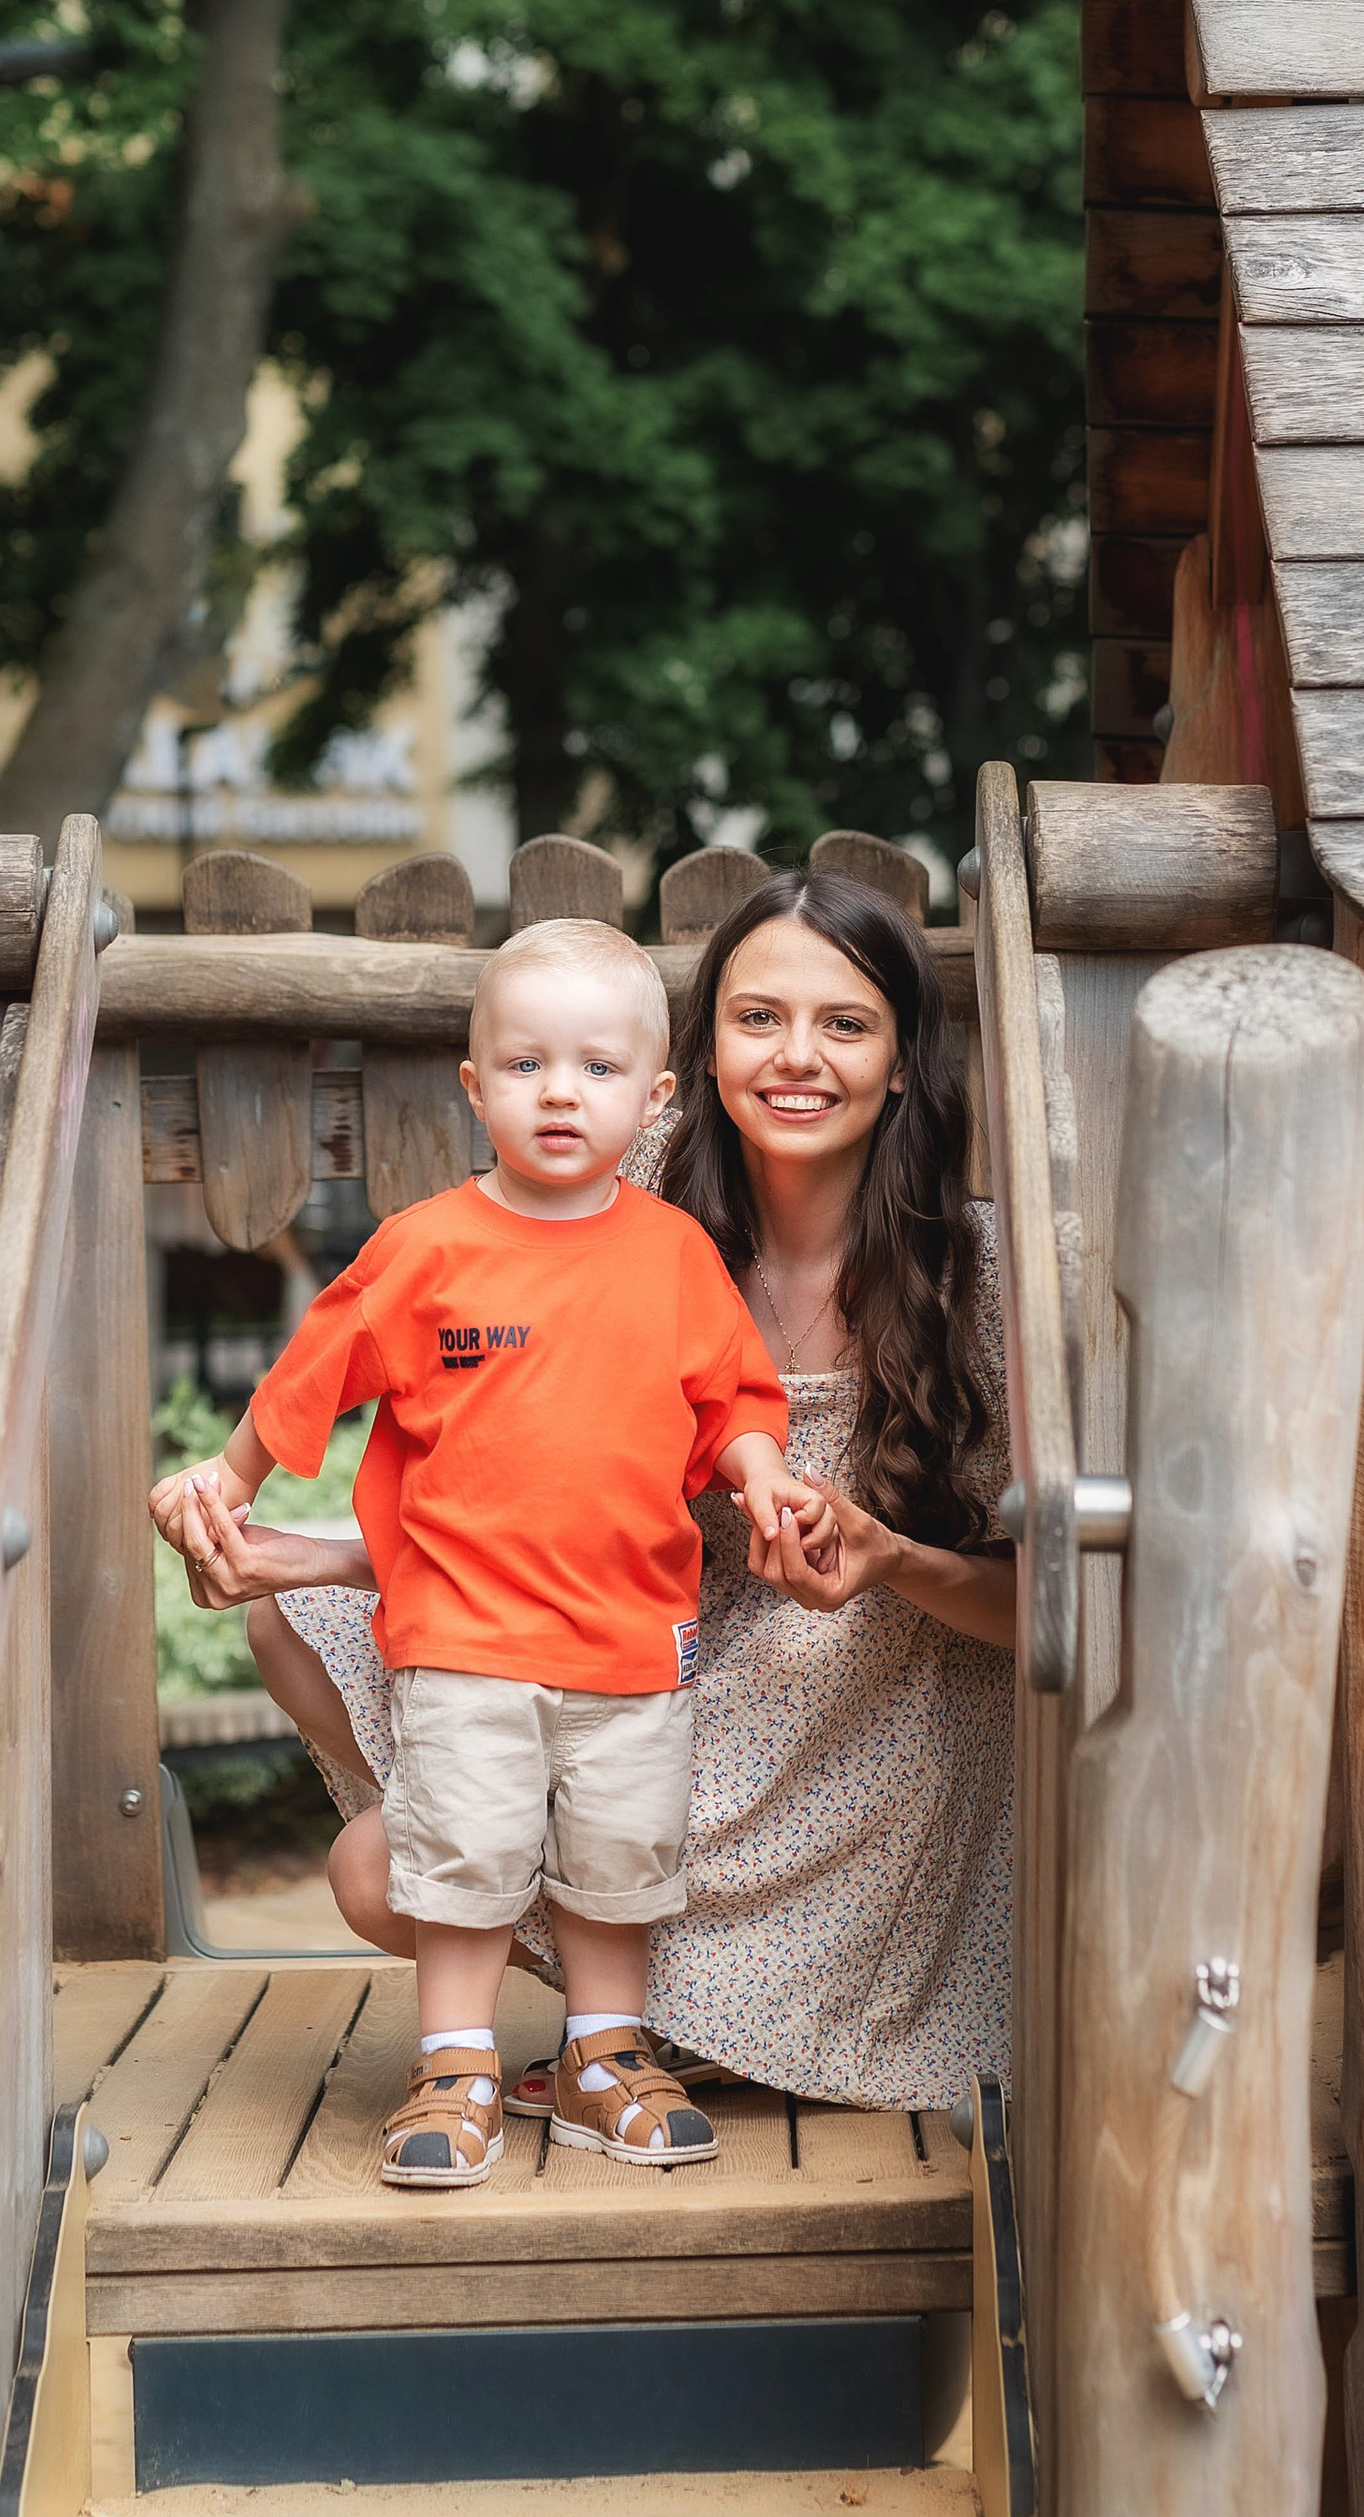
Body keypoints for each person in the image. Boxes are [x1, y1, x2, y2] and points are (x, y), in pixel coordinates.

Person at [238, 867, 1016, 2112]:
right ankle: (626, 2009)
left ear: (904, 1061)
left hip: (867, 1725)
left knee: (405, 1859)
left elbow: (1052, 1618)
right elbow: (523, 1452)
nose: (795, 1057)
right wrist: (335, 1553)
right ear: (698, 1055)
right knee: (357, 1815)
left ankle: (690, 2008)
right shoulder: (624, 1183)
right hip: (636, 1646)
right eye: (758, 1018)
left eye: (846, 1023)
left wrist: (892, 1560)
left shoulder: (975, 1276)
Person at [149, 915, 821, 2188]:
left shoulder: (675, 1254)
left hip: (630, 1635)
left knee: (619, 1858)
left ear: (656, 1098)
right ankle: (454, 2062)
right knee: (461, 1853)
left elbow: (736, 1398)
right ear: (475, 1086)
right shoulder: (424, 1249)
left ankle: (601, 2055)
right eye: (524, 1065)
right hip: (459, 1636)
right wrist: (227, 1478)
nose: (560, 1092)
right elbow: (313, 1372)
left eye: (598, 1068)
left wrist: (766, 1477)